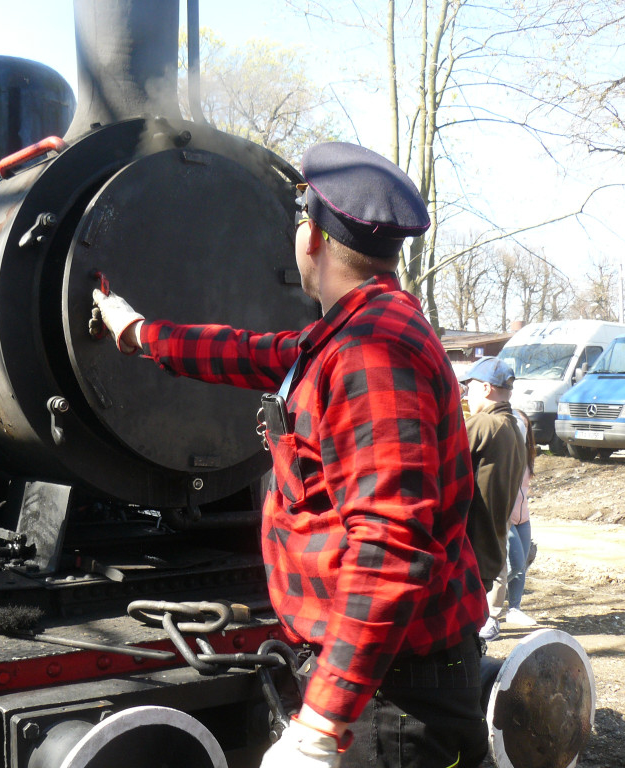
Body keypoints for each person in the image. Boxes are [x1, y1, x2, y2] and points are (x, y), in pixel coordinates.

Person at [93, 142, 488, 768]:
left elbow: (391, 547)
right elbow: (247, 351)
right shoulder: (348, 336)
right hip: (383, 680)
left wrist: (321, 725)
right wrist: (137, 332)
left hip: (393, 698)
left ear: (313, 239)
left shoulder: (372, 354)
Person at [460, 356, 527, 643]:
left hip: (471, 548)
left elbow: (438, 465)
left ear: (486, 388)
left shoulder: (484, 424)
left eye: (469, 388)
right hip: (491, 548)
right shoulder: (513, 426)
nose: (466, 395)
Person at [505, 409, 538, 626]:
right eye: (517, 426)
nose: (521, 430)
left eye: (525, 426)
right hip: (505, 518)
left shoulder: (528, 455)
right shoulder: (504, 453)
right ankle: (483, 598)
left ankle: (514, 609)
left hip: (523, 518)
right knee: (515, 564)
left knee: (522, 565)